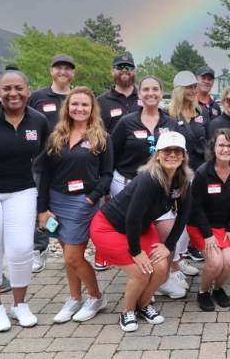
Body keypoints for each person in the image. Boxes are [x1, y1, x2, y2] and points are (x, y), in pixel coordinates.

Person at [89, 132, 192, 332]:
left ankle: (143, 305)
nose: (172, 154)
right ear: (157, 154)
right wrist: (136, 252)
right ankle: (127, 311)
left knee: (161, 267)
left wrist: (168, 246)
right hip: (109, 228)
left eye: (178, 151)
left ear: (183, 156)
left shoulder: (183, 180)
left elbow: (184, 214)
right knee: (141, 271)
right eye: (167, 150)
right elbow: (132, 218)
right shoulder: (149, 179)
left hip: (141, 227)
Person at [37, 86, 111, 323]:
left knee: (72, 257)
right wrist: (42, 209)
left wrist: (92, 198)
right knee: (68, 255)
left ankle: (96, 297)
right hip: (55, 201)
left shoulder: (101, 137)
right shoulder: (56, 135)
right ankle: (75, 298)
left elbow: (107, 175)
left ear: (92, 109)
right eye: (75, 104)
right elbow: (45, 174)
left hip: (82, 202)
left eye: (85, 105)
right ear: (67, 107)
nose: (79, 108)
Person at [110, 76, 184, 298]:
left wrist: (177, 194)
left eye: (155, 89)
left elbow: (179, 159)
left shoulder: (171, 123)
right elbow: (113, 155)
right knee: (137, 232)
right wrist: (107, 189)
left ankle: (163, 279)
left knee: (167, 233)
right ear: (139, 94)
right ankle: (142, 280)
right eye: (146, 89)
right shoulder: (126, 122)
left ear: (162, 93)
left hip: (162, 187)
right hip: (127, 186)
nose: (150, 93)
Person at [0, 70, 50, 330]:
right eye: (6, 88)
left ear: (28, 91)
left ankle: (19, 305)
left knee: (21, 248)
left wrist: (44, 206)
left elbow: (45, 161)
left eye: (18, 87)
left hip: (22, 189)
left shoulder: (38, 120)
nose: (13, 93)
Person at [187, 128, 230, 311]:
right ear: (213, 147)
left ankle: (218, 289)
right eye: (221, 145)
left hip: (225, 225)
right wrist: (207, 234)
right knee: (215, 264)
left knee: (228, 263)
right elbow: (196, 206)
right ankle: (203, 291)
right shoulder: (202, 173)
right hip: (201, 226)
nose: (225, 149)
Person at [28, 54, 77, 273]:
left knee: (71, 207)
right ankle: (40, 249)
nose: (63, 72)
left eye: (67, 68)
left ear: (73, 73)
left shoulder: (78, 96)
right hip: (41, 163)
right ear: (51, 71)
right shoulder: (37, 97)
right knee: (39, 207)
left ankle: (72, 249)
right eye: (59, 68)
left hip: (72, 164)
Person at [168, 71, 210, 274]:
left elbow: (209, 143)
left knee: (190, 216)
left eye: (195, 87)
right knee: (175, 217)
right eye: (189, 87)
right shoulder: (167, 113)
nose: (194, 90)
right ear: (179, 90)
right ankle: (172, 262)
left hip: (199, 172)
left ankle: (180, 256)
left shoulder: (202, 112)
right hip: (176, 173)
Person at [98, 55, 142, 135]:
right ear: (112, 71)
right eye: (119, 67)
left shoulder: (144, 98)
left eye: (128, 67)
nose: (124, 70)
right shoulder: (101, 101)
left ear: (134, 72)